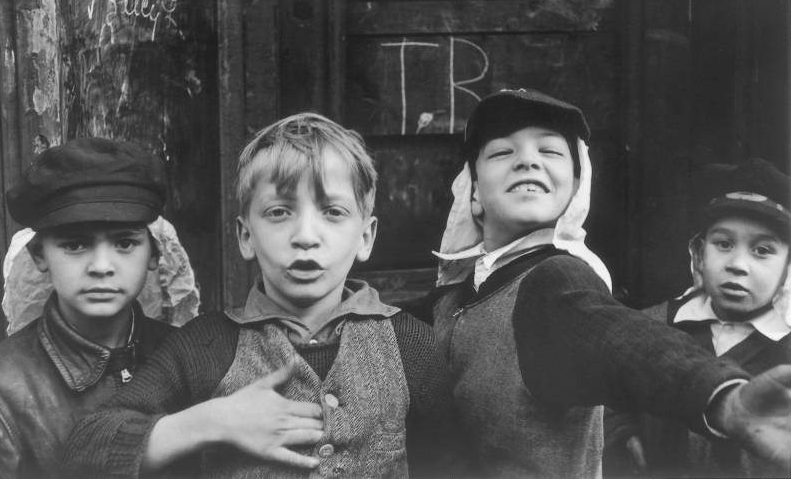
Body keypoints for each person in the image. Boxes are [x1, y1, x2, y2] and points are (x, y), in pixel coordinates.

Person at [418, 88, 791, 477]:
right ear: (473, 191)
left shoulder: (556, 280)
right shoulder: (456, 292)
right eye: (501, 152)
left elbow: (627, 343)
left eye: (550, 151)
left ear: (577, 187)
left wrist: (723, 398)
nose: (527, 160)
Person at [63, 113, 454, 478]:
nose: (305, 237)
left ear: (365, 236)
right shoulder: (206, 345)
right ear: (245, 236)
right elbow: (86, 448)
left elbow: (454, 462)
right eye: (279, 212)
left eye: (332, 212)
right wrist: (212, 422)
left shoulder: (409, 343)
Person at [0, 138, 176, 478]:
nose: (102, 266)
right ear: (40, 256)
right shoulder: (0, 388)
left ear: (153, 254)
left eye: (124, 242)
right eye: (75, 244)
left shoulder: (192, 356)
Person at [605, 158, 791, 478]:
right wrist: (622, 433)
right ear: (700, 253)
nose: (737, 264)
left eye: (762, 250)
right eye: (724, 244)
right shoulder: (649, 325)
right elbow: (607, 394)